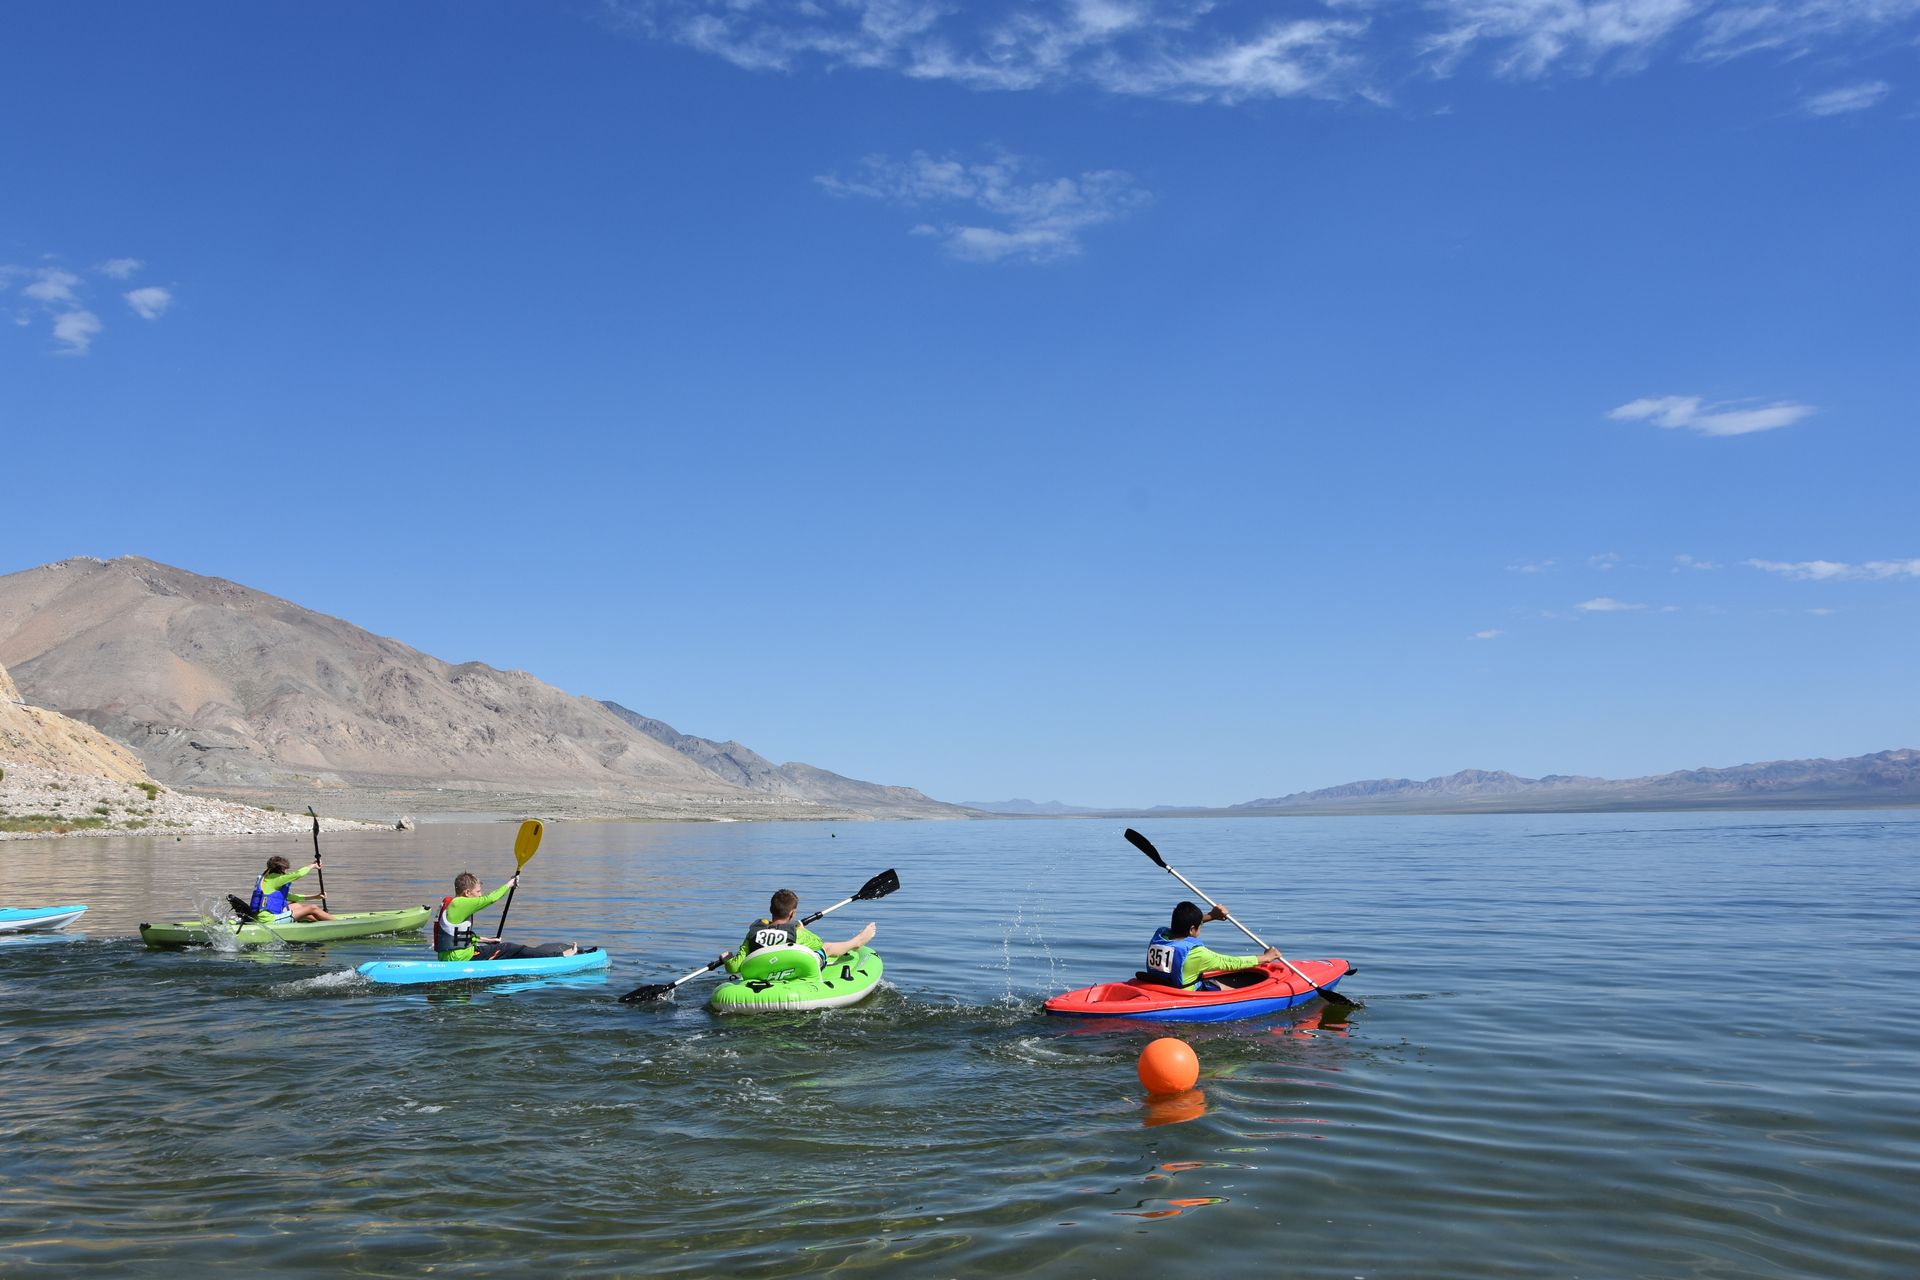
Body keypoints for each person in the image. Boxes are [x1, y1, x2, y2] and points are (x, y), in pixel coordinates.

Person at [433, 871, 578, 962]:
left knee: (500, 949)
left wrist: (486, 940)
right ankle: (560, 957)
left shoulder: (452, 905)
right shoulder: (460, 903)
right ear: (466, 892)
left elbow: (455, 934)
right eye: (477, 891)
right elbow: (490, 899)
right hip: (461, 959)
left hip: (448, 958)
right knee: (511, 948)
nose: (480, 894)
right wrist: (509, 884)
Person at [723, 888, 874, 973]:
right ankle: (857, 942)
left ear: (770, 909)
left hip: (762, 973)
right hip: (790, 972)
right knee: (826, 948)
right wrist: (799, 928)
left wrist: (727, 958)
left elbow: (734, 967)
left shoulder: (753, 933)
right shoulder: (797, 933)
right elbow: (818, 943)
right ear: (792, 914)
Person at [1144, 900, 1280, 990]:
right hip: (1187, 995)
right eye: (1199, 927)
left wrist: (1212, 916)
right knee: (1232, 985)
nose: (1200, 928)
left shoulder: (1160, 935)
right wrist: (1265, 958)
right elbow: (1231, 963)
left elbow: (1182, 925)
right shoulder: (1196, 953)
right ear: (1192, 929)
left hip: (1161, 987)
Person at [248, 855, 337, 923]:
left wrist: (315, 897)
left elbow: (289, 897)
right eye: (286, 869)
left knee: (296, 906)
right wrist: (312, 866)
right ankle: (338, 923)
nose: (287, 871)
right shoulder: (277, 879)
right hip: (268, 920)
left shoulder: (267, 878)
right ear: (282, 868)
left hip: (259, 917)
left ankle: (320, 922)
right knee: (312, 908)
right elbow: (298, 874)